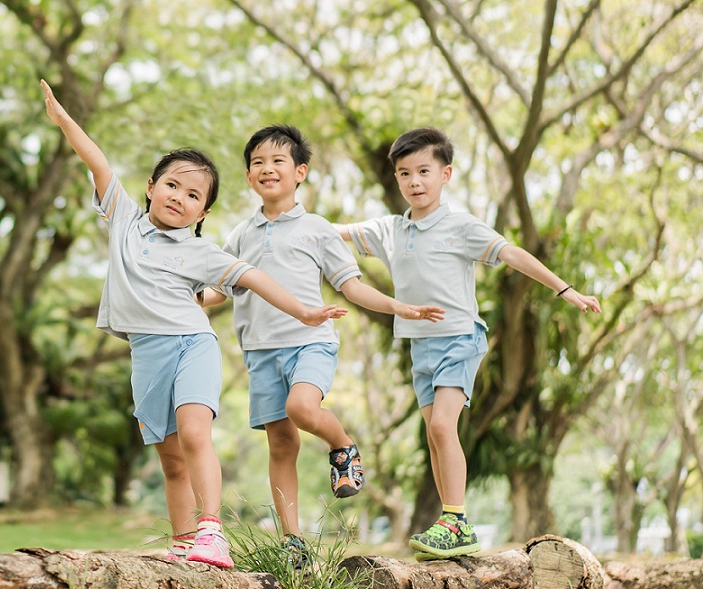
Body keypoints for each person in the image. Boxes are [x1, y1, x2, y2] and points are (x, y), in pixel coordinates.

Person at [40, 81, 349, 569]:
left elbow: (255, 278)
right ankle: (186, 544)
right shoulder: (123, 220)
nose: (178, 197)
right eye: (172, 185)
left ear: (202, 212)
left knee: (193, 434)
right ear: (151, 187)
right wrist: (63, 120)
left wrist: (305, 312)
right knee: (170, 458)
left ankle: (212, 531)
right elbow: (98, 163)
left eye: (192, 195)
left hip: (192, 346)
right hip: (146, 354)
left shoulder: (201, 251)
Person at [334, 126, 602, 559]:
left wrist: (565, 290)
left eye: (424, 171)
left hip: (459, 338)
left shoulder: (459, 225)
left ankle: (456, 520)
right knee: (434, 435)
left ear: (446, 174)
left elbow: (512, 254)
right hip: (419, 345)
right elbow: (336, 232)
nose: (415, 181)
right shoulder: (390, 229)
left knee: (444, 426)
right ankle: (449, 523)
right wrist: (292, 220)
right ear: (396, 178)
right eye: (405, 173)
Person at [199, 125, 445, 568]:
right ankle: (293, 542)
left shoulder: (317, 229)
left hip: (309, 342)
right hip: (259, 350)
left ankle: (342, 443)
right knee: (281, 444)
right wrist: (186, 300)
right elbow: (220, 290)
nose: (267, 169)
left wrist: (397, 306)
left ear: (300, 172)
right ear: (249, 176)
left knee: (301, 408)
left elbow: (351, 286)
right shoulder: (239, 235)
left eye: (278, 161)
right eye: (257, 163)